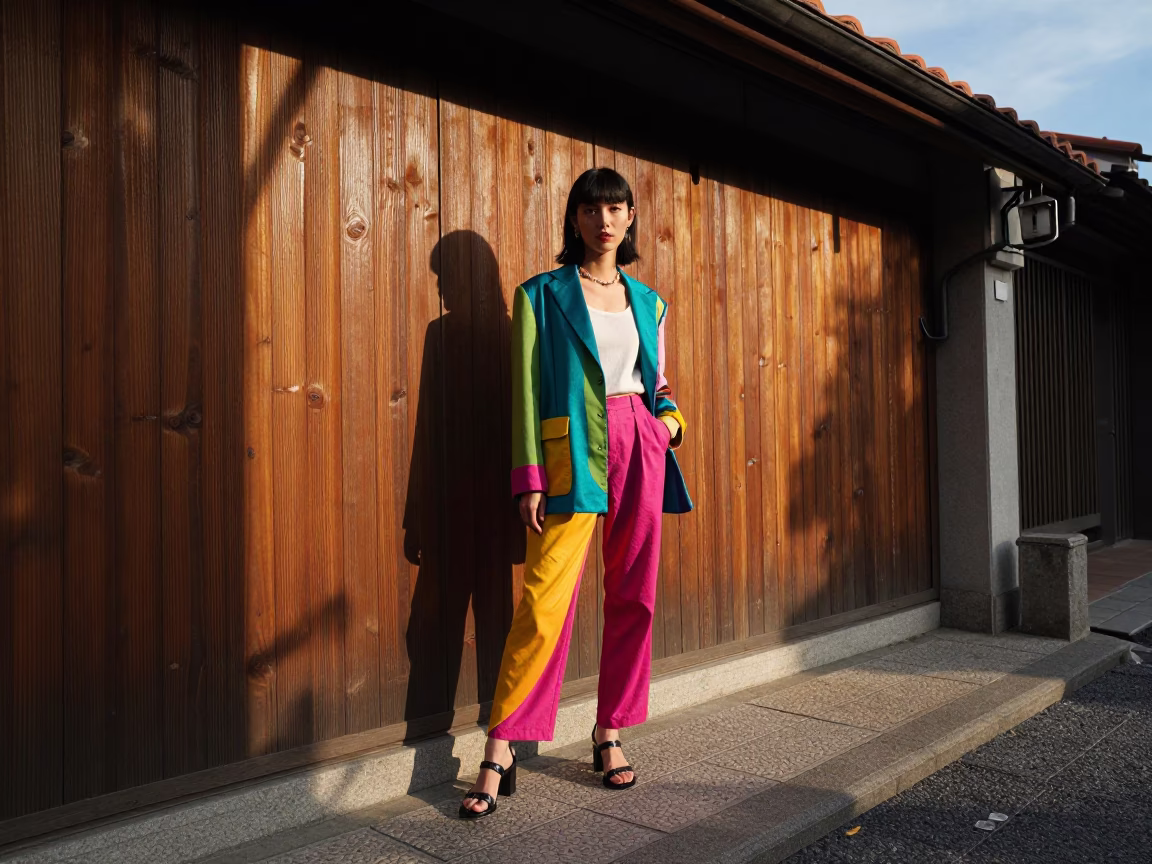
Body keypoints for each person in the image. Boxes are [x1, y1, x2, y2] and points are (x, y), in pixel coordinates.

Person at [458, 167, 693, 819]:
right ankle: (500, 748)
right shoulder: (539, 295)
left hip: (639, 444)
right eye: (591, 209)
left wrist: (668, 426)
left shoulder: (650, 302)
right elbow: (526, 392)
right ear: (575, 218)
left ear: (631, 216)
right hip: (571, 456)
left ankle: (608, 732)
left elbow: (657, 382)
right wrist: (529, 477)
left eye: (615, 208)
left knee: (634, 595)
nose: (604, 220)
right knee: (543, 603)